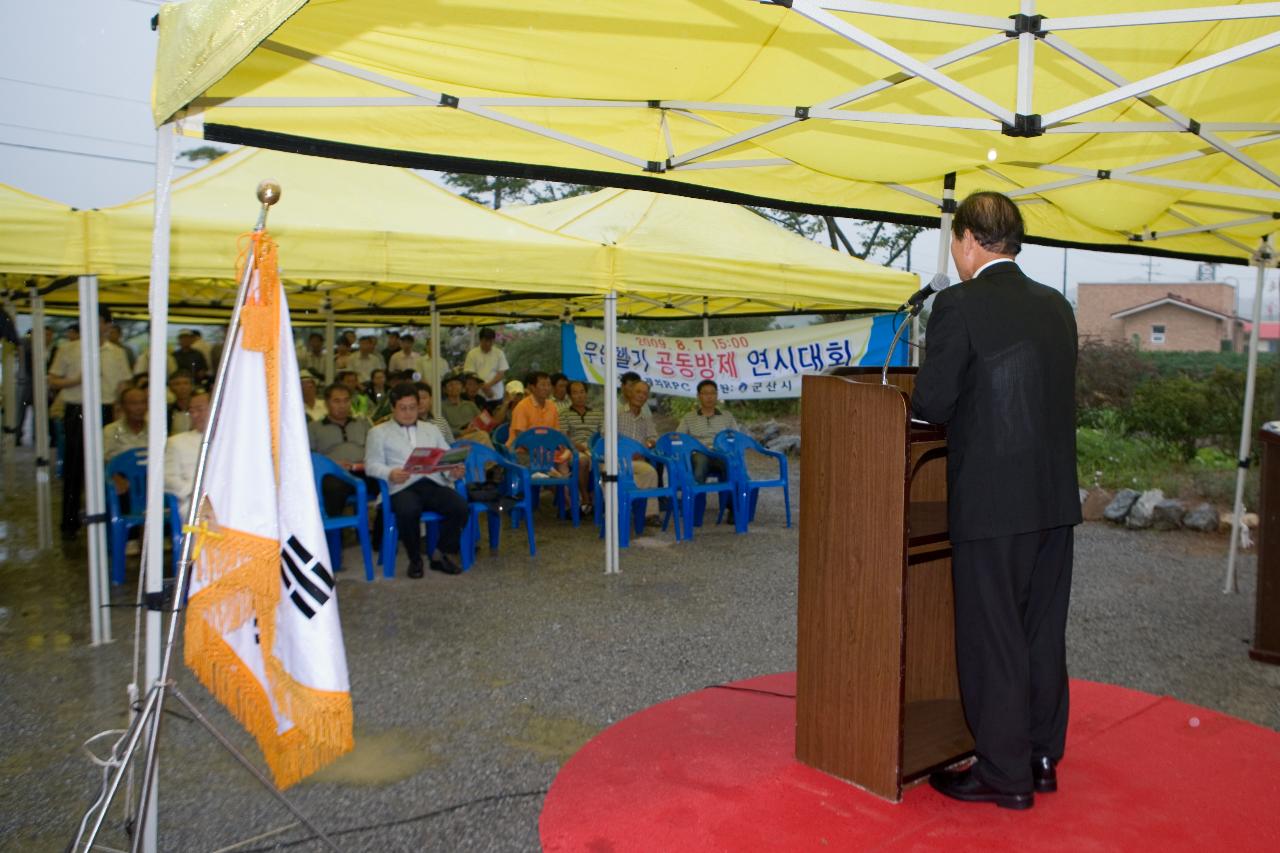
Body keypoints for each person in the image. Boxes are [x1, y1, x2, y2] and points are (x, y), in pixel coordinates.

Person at [912, 191, 1081, 811]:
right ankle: (1040, 757)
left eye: (956, 245)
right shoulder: (1056, 305)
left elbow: (931, 403)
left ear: (967, 241)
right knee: (1041, 630)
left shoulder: (959, 304)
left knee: (995, 635)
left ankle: (1003, 773)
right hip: (1053, 499)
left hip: (990, 500)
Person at [364, 383, 469, 577]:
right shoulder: (378, 432)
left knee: (461, 507)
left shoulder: (431, 429)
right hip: (401, 486)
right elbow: (371, 464)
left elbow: (445, 458)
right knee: (408, 509)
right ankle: (415, 559)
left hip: (432, 482)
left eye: (412, 407)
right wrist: (389, 473)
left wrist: (453, 470)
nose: (408, 413)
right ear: (393, 408)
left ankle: (441, 553)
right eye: (403, 408)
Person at [48, 305, 134, 539]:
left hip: (107, 410)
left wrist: (120, 410)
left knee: (109, 464)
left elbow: (123, 384)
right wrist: (73, 381)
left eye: (98, 321)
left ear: (107, 325)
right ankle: (69, 523)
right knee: (75, 468)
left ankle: (107, 518)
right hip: (78, 410)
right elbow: (53, 380)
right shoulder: (69, 349)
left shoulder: (116, 352)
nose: (93, 326)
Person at [308, 384, 374, 518]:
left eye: (346, 400)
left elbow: (376, 448)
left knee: (392, 483)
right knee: (332, 488)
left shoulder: (362, 424)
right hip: (334, 474)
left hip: (364, 471)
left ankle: (380, 533)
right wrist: (332, 464)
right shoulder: (314, 428)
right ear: (327, 403)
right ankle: (334, 530)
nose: (342, 406)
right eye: (337, 401)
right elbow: (309, 457)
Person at [676, 380, 738, 483]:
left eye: (713, 393)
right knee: (701, 462)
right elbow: (679, 438)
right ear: (698, 396)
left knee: (732, 465)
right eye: (705, 393)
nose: (709, 397)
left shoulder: (727, 416)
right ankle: (696, 497)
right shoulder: (689, 417)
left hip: (720, 452)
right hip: (698, 453)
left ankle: (731, 498)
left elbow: (736, 438)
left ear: (717, 395)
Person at [617, 379, 661, 524]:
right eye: (638, 392)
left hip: (638, 460)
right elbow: (606, 437)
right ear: (629, 392)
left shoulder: (646, 417)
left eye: (645, 393)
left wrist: (646, 447)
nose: (641, 396)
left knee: (650, 472)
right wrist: (627, 451)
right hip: (617, 460)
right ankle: (622, 509)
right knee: (626, 478)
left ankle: (650, 514)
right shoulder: (616, 413)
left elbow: (653, 438)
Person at [164, 390, 211, 519]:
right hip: (194, 501)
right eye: (191, 411)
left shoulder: (232, 440)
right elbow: (167, 479)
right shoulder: (176, 442)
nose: (195, 415)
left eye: (200, 410)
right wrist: (194, 491)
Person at [562, 380, 603, 513]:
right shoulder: (564, 414)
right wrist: (579, 446)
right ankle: (585, 497)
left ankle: (606, 501)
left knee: (611, 462)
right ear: (569, 396)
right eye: (575, 393)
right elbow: (564, 437)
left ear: (586, 393)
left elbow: (603, 434)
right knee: (582, 461)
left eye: (582, 392)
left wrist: (594, 447)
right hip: (574, 449)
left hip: (594, 447)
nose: (579, 396)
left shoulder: (598, 413)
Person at [507, 371, 560, 446]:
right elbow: (520, 435)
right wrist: (538, 452)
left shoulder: (552, 406)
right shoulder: (522, 407)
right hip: (521, 449)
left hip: (546, 448)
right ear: (532, 387)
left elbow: (555, 432)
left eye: (549, 385)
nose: (547, 388)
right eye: (543, 385)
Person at [463, 327, 508, 410]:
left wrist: (488, 385)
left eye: (491, 341)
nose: (488, 344)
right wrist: (482, 386)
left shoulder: (499, 353)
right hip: (478, 394)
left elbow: (501, 373)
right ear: (480, 340)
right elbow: (470, 374)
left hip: (496, 394)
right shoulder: (472, 354)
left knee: (496, 419)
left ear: (494, 341)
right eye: (485, 341)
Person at [103, 385, 149, 464]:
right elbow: (104, 461)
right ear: (122, 406)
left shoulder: (155, 430)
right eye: (134, 403)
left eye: (143, 402)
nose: (140, 407)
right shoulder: (111, 430)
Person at [167, 369, 196, 433]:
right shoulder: (167, 411)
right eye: (177, 384)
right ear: (170, 388)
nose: (182, 387)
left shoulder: (200, 409)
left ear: (192, 386)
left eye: (186, 383)